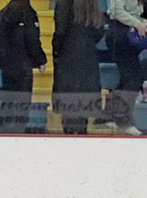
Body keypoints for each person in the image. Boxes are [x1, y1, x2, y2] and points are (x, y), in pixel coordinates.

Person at [0, 0, 48, 133]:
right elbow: (32, 40)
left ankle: (4, 132)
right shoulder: (28, 13)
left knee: (8, 101)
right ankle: (19, 132)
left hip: (7, 66)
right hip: (23, 65)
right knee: (22, 103)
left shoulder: (3, 13)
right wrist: (41, 60)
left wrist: (1, 60)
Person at [52, 0, 106, 134]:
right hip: (88, 55)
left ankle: (70, 132)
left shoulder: (64, 3)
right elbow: (99, 30)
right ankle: (81, 131)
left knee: (69, 106)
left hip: (68, 55)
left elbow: (60, 31)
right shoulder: (92, 3)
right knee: (84, 106)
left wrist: (57, 50)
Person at [106, 0, 147, 135]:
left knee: (128, 77)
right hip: (118, 35)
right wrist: (138, 24)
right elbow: (117, 12)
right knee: (135, 77)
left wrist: (145, 23)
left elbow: (134, 14)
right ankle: (122, 118)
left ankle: (110, 114)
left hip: (129, 35)